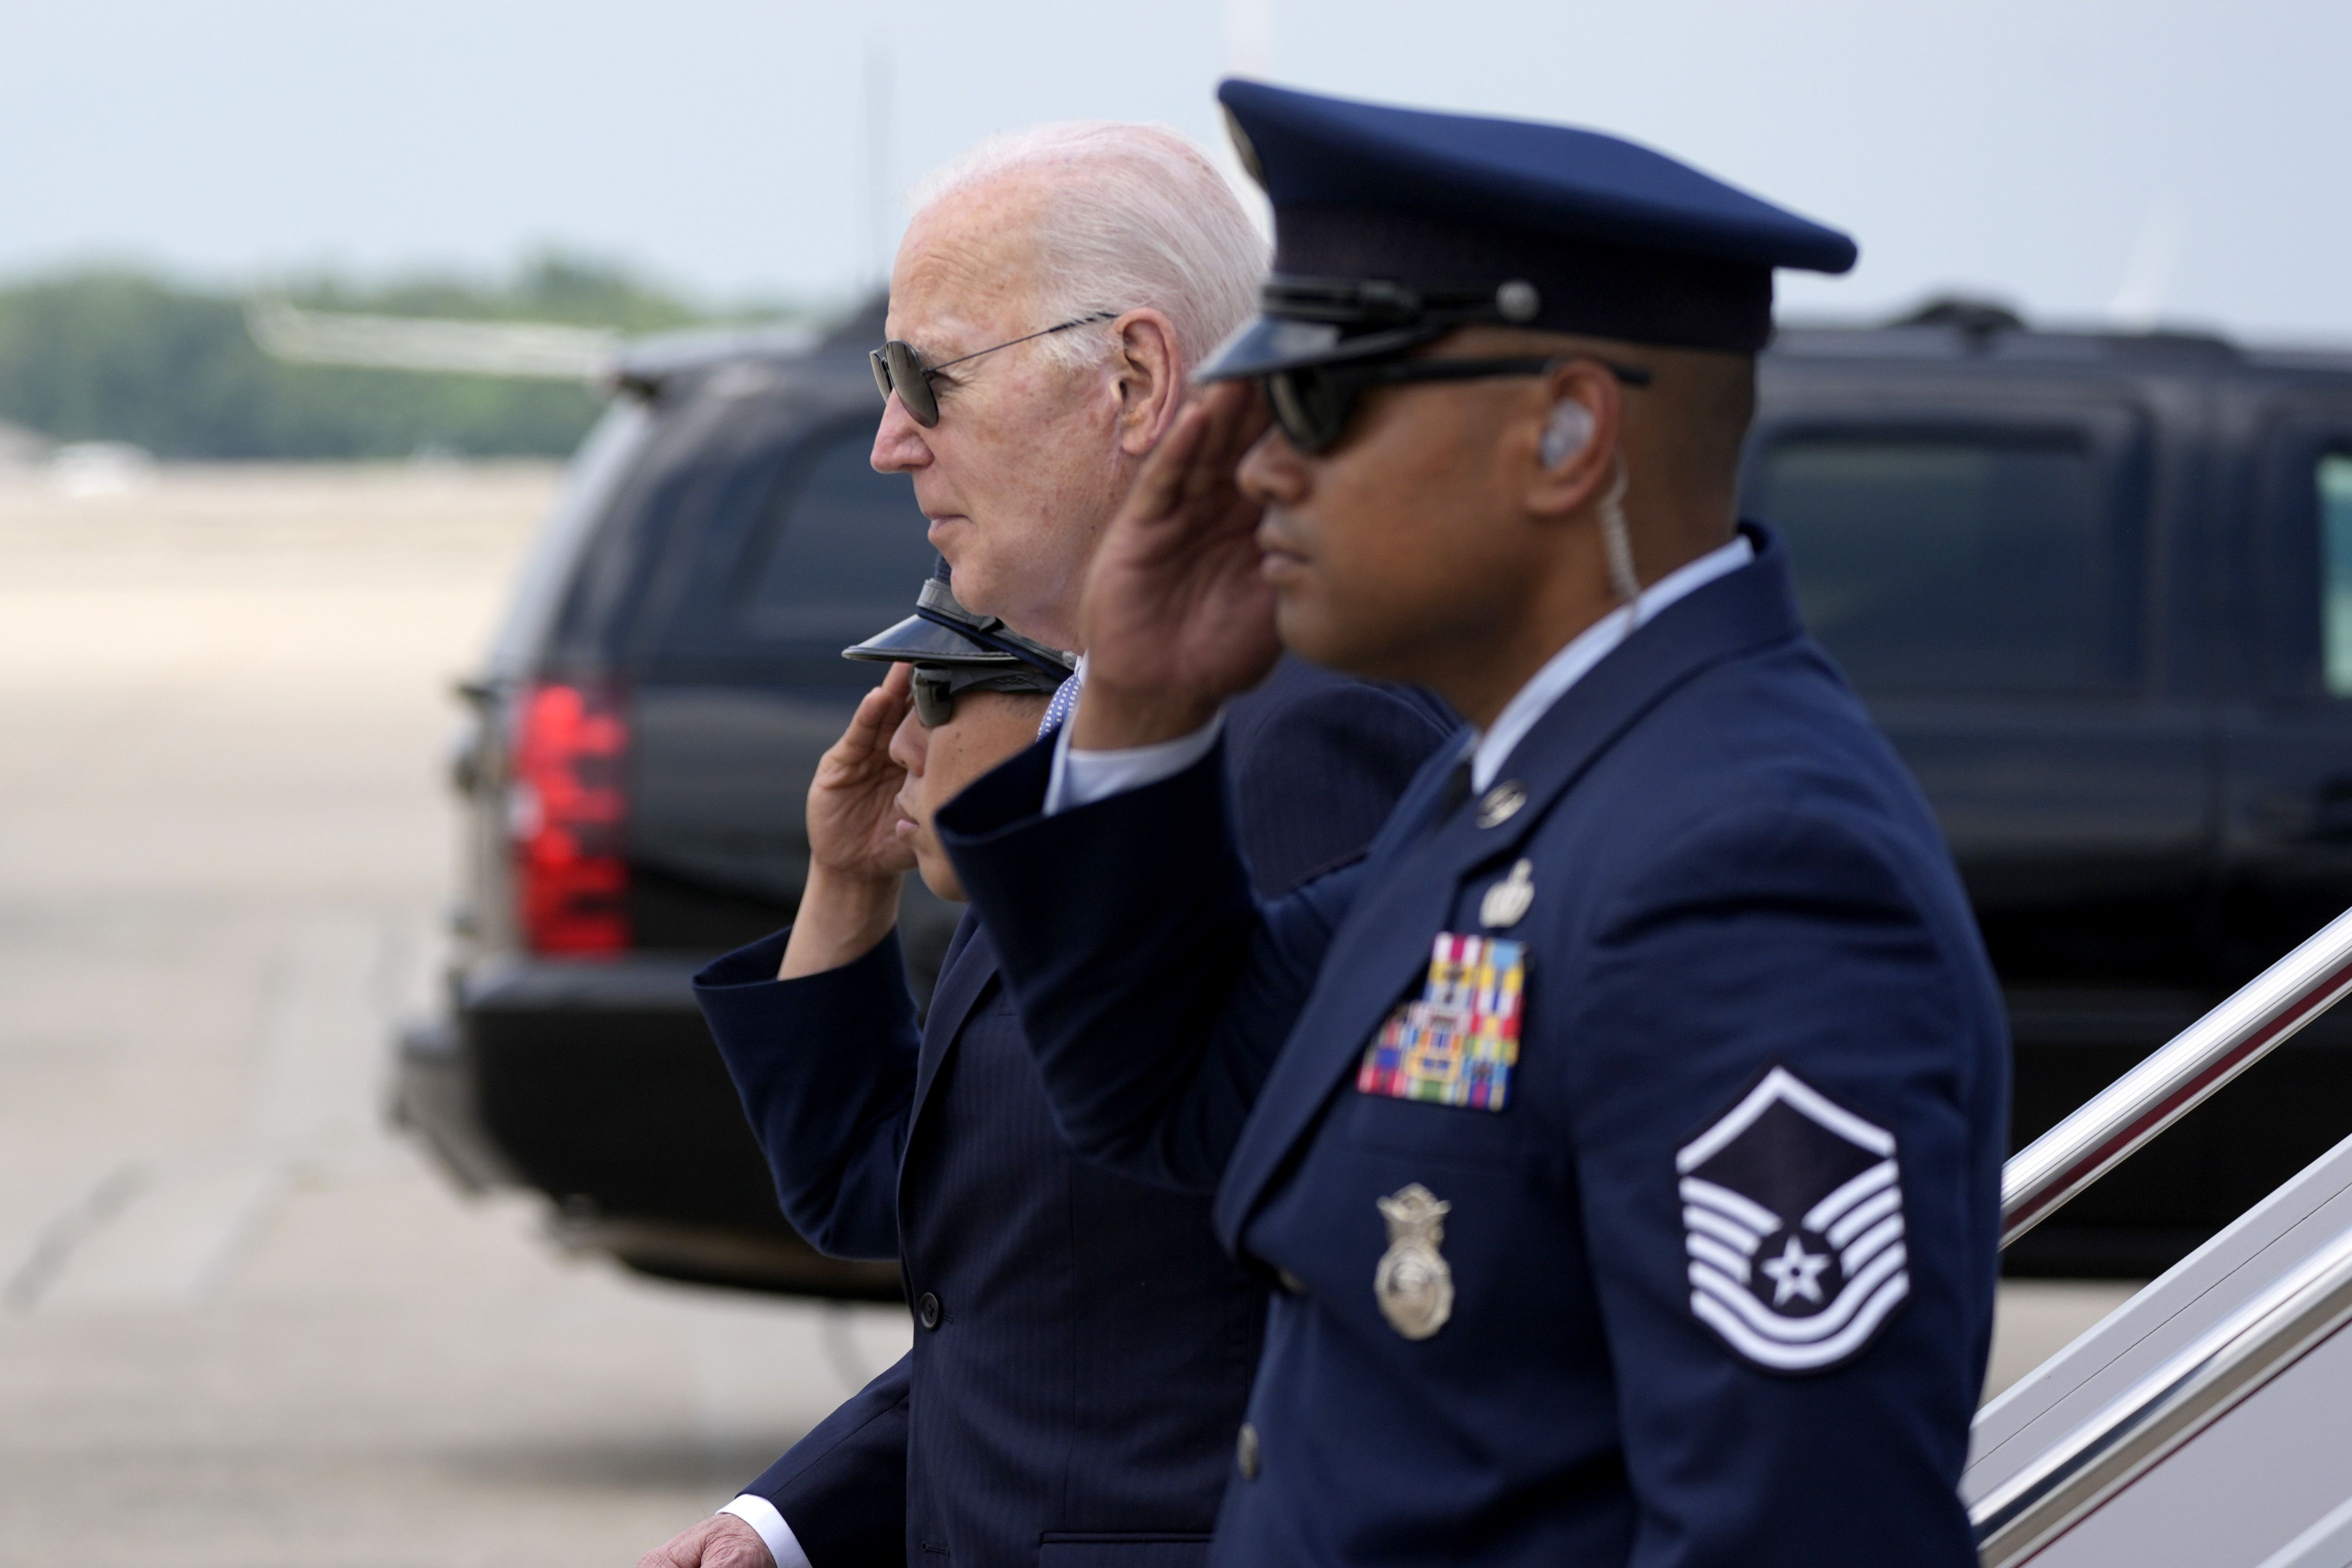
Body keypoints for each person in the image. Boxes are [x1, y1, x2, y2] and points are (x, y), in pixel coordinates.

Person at [937, 81, 2010, 1566]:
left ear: (1565, 430)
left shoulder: (1749, 867)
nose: (1256, 463)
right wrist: (1141, 703)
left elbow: (1792, 1531)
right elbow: (1162, 1090)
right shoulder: (1521, 788)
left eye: (1317, 395)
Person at [639, 122, 1454, 1568]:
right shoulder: (1091, 733)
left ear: (1131, 379)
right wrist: (790, 1520)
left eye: (924, 379)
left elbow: (1294, 1299)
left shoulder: (1303, 738)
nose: (891, 438)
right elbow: (978, 1241)